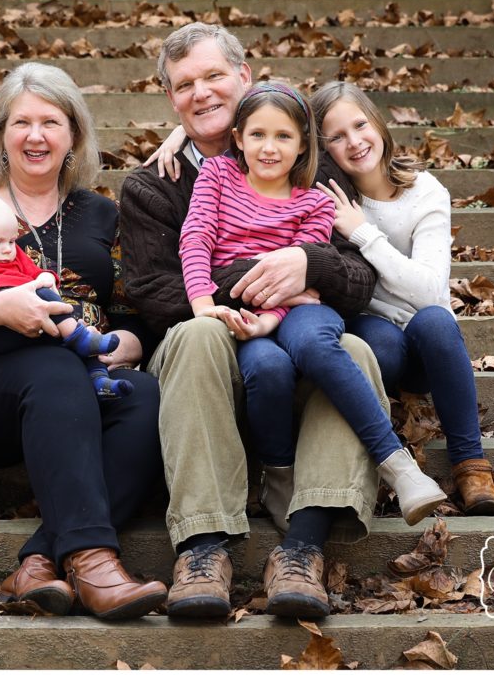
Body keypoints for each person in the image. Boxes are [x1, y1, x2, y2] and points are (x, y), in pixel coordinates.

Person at [121, 22, 388, 620]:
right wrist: (267, 278)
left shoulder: (306, 163)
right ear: (171, 99)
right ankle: (202, 546)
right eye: (185, 84)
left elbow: (360, 278)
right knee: (195, 331)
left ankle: (303, 547)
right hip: (205, 361)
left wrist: (309, 261)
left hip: (292, 352)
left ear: (244, 78)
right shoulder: (150, 186)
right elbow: (152, 291)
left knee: (360, 353)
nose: (202, 92)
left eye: (215, 75)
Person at [0, 62, 167, 620]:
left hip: (70, 386)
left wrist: (124, 344)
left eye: (51, 122)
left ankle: (40, 563)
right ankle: (96, 563)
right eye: (21, 122)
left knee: (142, 399)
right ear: (0, 134)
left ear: (73, 135)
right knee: (54, 371)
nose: (36, 135)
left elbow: (134, 312)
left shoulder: (101, 213)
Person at [178, 81, 446, 531]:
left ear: (304, 144)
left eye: (284, 136)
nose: (269, 147)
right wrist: (204, 304)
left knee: (317, 342)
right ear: (238, 138)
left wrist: (272, 315)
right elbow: (197, 238)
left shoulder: (314, 201)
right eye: (258, 135)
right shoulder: (218, 177)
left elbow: (301, 279)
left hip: (300, 311)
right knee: (265, 365)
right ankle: (279, 475)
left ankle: (396, 465)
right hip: (239, 309)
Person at [311, 81, 494, 515]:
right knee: (374, 340)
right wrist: (182, 134)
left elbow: (429, 291)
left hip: (426, 341)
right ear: (321, 146)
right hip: (376, 338)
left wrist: (362, 233)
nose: (355, 142)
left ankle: (471, 464)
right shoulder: (324, 194)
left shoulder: (425, 192)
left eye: (360, 125)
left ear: (378, 122)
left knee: (436, 320)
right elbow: (265, 121)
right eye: (336, 136)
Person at [0, 192, 133, 399]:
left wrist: (46, 276)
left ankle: (100, 381)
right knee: (44, 296)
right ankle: (79, 337)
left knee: (68, 336)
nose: (7, 250)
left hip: (34, 326)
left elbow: (34, 272)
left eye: (11, 241)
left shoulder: (13, 253)